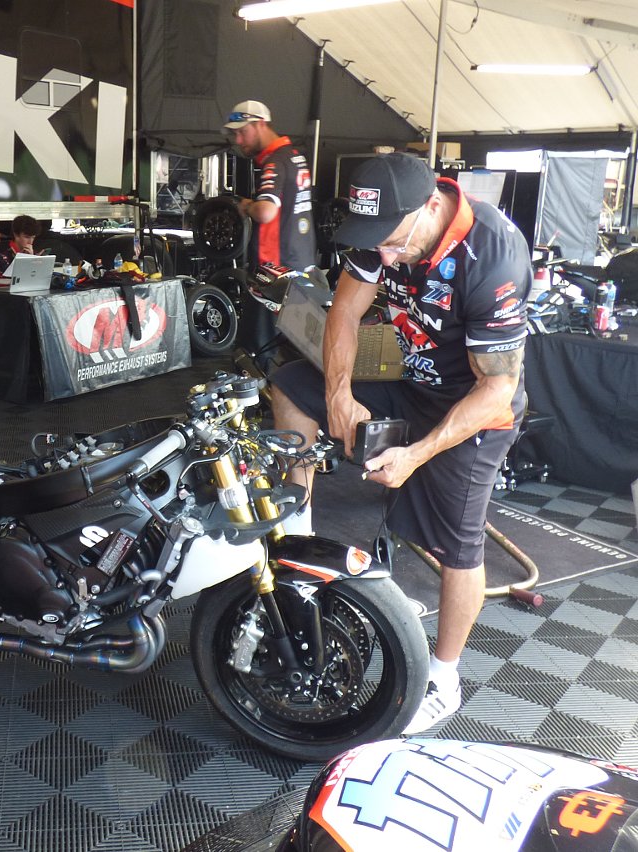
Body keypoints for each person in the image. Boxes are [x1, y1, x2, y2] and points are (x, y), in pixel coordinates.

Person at [270, 152, 531, 734]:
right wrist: (339, 394)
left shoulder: (493, 255)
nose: (383, 257)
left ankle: (444, 678)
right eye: (375, 244)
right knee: (290, 386)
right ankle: (298, 545)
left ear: (431, 207)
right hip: (413, 384)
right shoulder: (379, 231)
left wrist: (417, 454)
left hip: (476, 408)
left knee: (459, 545)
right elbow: (344, 311)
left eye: (392, 243)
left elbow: (496, 388)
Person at [224, 100, 318, 367]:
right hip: (302, 266)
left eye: (242, 132)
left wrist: (246, 206)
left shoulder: (274, 162)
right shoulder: (295, 157)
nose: (238, 140)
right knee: (293, 349)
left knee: (256, 352)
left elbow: (266, 211)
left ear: (261, 124)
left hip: (273, 273)